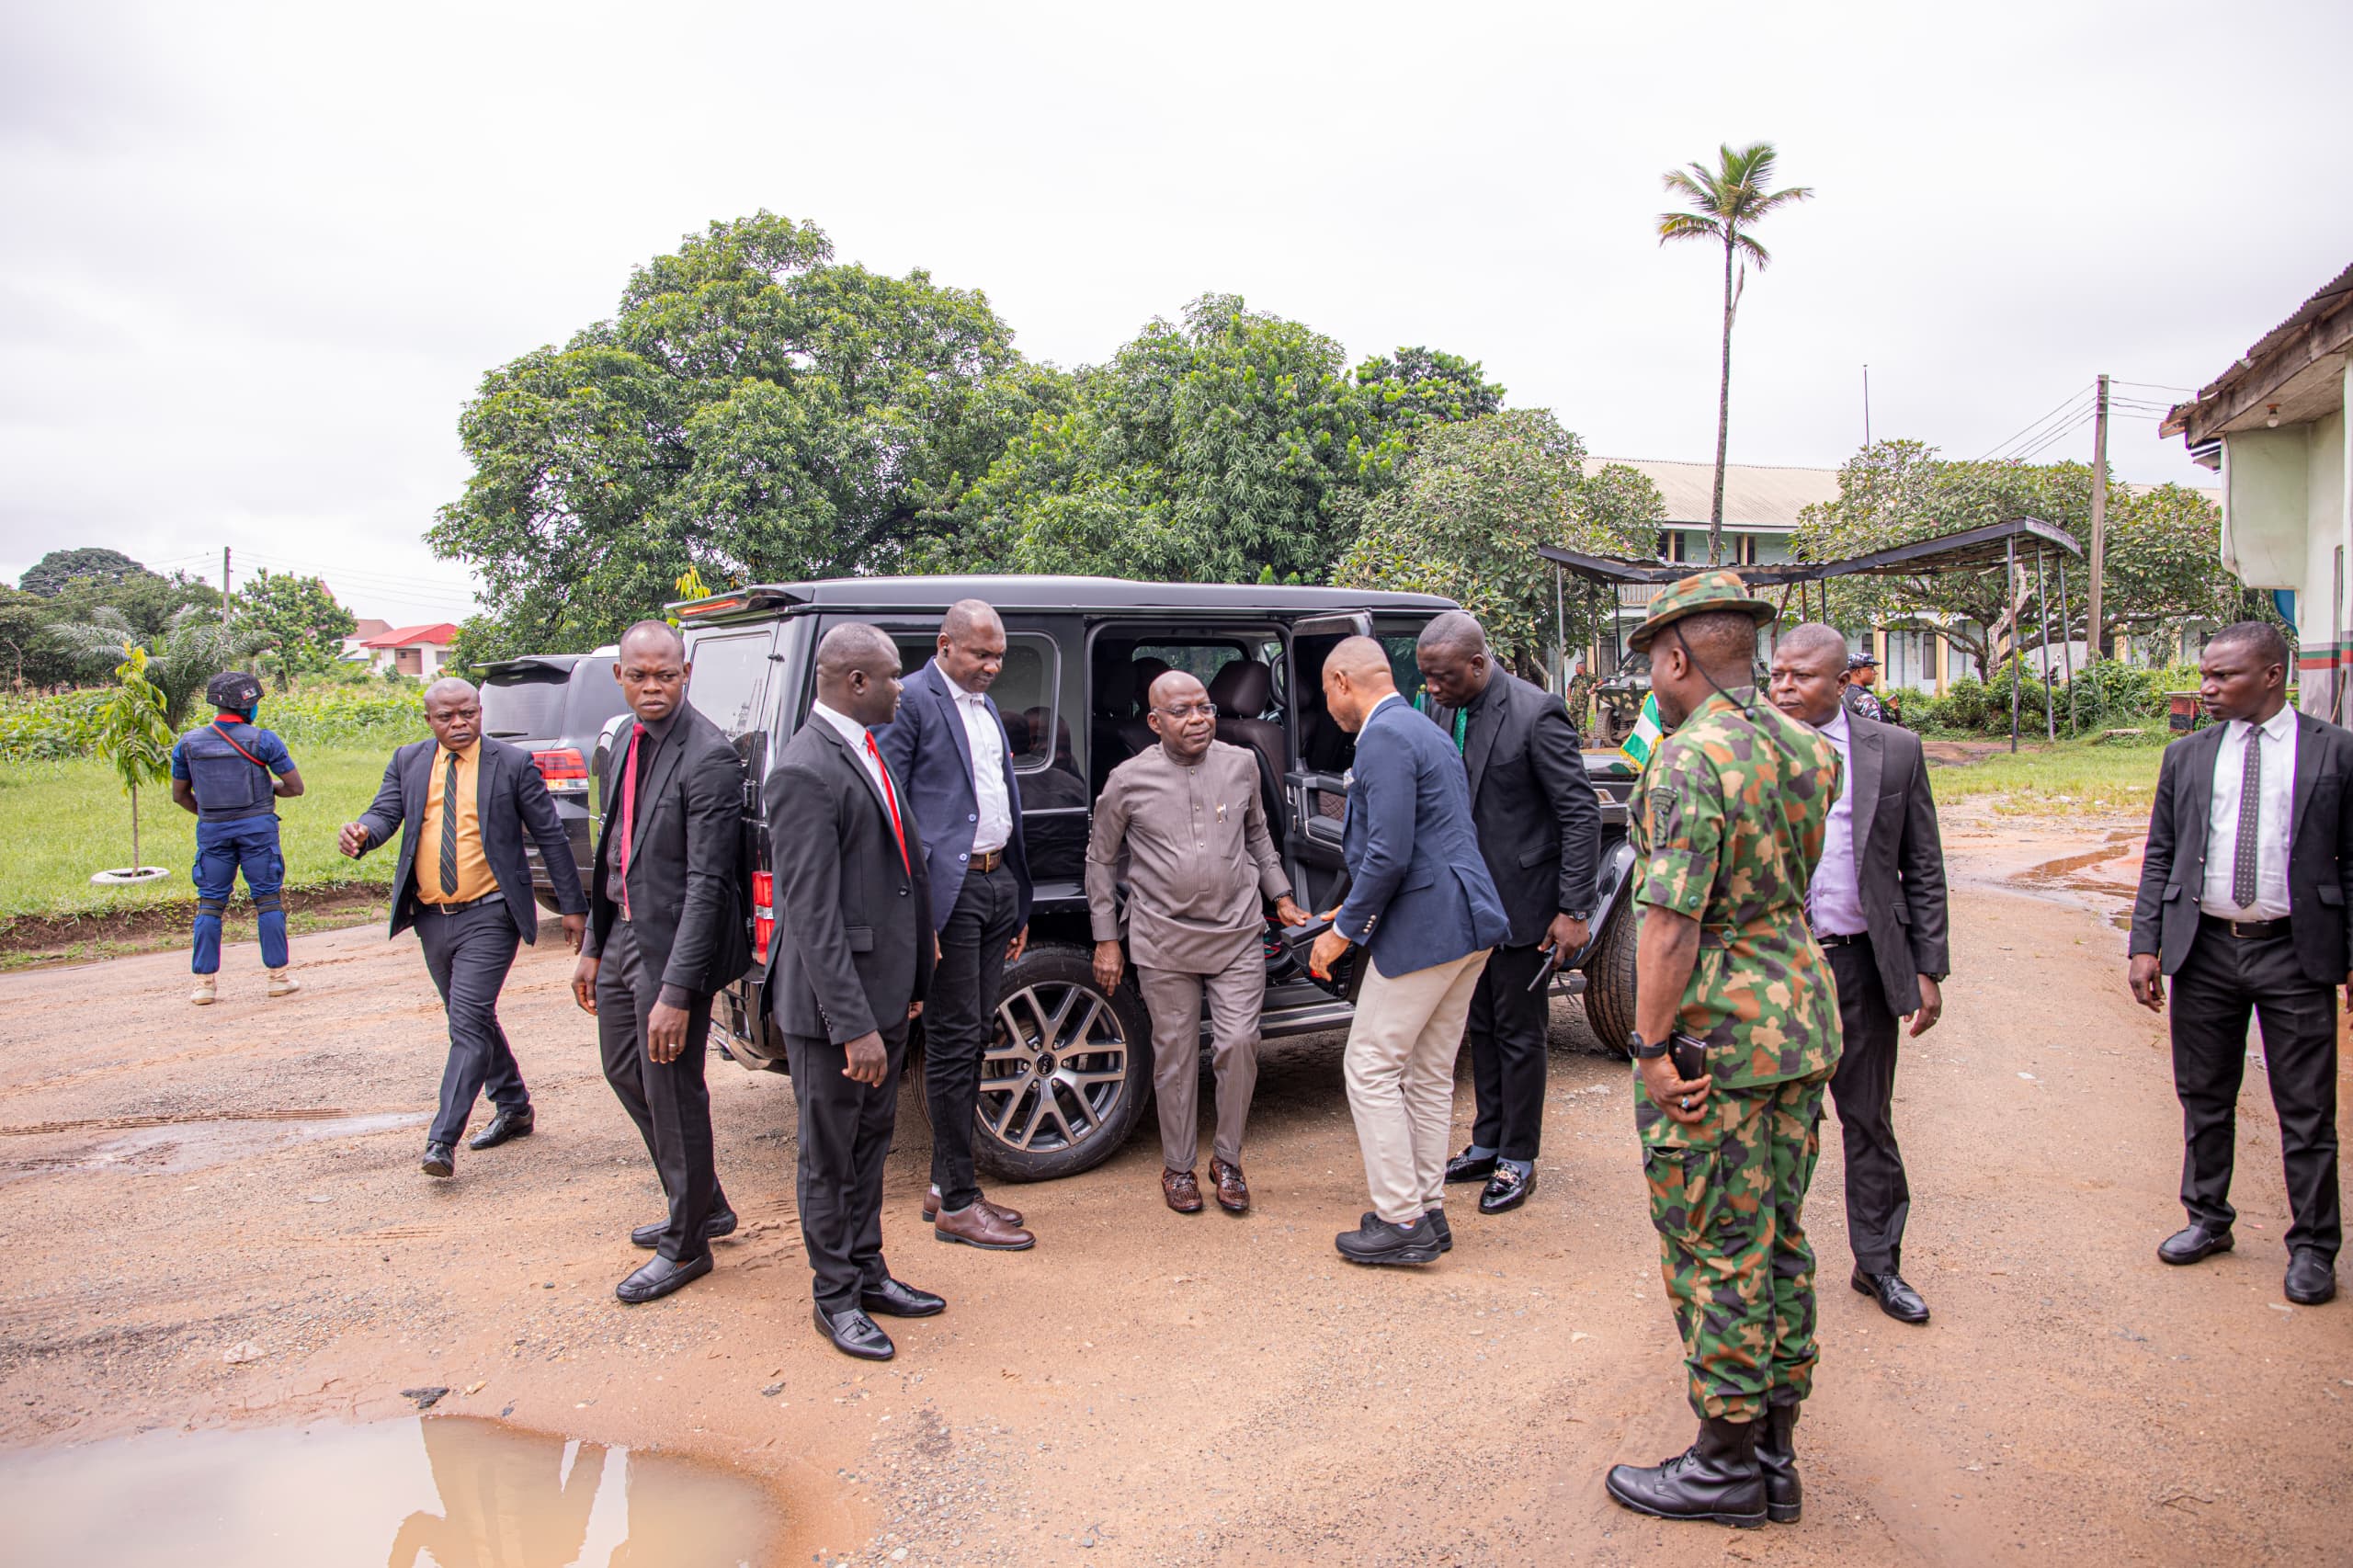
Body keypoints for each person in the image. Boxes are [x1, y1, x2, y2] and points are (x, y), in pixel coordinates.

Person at [1601, 571, 1843, 1529]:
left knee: (1713, 1243)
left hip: (1720, 1039)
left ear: (1677, 657)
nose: (1648, 683)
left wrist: (1651, 1046)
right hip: (1798, 1017)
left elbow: (1668, 926)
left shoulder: (1688, 758)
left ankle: (1724, 1462)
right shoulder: (1802, 745)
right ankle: (1776, 1452)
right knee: (1778, 1230)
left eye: (1649, 664)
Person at [2128, 620, 2347, 1309]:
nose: (2208, 687)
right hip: (2206, 949)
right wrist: (2145, 944)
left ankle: (2313, 1246)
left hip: (2295, 952)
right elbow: (2160, 851)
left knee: (2307, 1109)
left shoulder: (2334, 753)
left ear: (2272, 675)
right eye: (2206, 674)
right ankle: (2207, 1220)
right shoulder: (2188, 755)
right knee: (2204, 1095)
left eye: (2224, 676)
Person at [767, 623, 944, 1360]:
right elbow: (811, 914)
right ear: (856, 682)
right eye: (895, 675)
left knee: (871, 1147)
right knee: (830, 1156)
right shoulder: (805, 769)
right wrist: (853, 1025)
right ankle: (834, 1296)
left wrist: (908, 983)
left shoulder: (866, 749)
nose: (905, 686)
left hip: (885, 994)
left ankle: (869, 1271)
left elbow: (894, 873)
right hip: (837, 1014)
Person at [1308, 637, 1510, 1267]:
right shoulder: (1424, 729)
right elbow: (1426, 837)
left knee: (1369, 1066)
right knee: (1426, 1073)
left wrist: (1344, 932)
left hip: (1426, 928)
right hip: (1465, 920)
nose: (1328, 705)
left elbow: (1389, 852)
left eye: (1324, 691)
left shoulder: (1383, 738)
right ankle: (1426, 1210)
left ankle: (1400, 1220)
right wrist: (1354, 907)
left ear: (1342, 681)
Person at [1768, 624, 1949, 1324]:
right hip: (1777, 969)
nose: (1784, 688)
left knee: (1866, 1120)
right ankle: (1774, 1266)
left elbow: (1923, 865)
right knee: (1781, 1122)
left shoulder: (1894, 753)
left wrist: (1927, 968)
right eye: (1777, 674)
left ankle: (1879, 1265)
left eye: (1801, 677)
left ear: (1843, 682)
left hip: (1859, 965)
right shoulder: (1745, 751)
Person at [340, 677, 587, 1179]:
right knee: (471, 1020)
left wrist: (573, 908)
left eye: (468, 714)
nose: (459, 724)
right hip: (432, 917)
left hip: (492, 914)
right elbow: (386, 812)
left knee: (468, 1021)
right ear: (429, 720)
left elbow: (550, 836)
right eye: (446, 717)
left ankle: (441, 1139)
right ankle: (514, 1106)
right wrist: (364, 833)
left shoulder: (512, 764)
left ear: (480, 711)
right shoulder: (409, 761)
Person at [570, 622, 750, 1305]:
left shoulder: (709, 757)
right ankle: (703, 1202)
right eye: (640, 675)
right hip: (622, 937)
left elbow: (709, 882)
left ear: (685, 674)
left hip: (675, 951)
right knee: (625, 1071)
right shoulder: (624, 743)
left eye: (665, 675)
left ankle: (687, 1245)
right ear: (620, 675)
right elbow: (614, 843)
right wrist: (593, 945)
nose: (653, 687)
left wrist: (677, 991)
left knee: (674, 1089)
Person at [1088, 669, 1311, 1213]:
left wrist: (1279, 895)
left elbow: (1258, 834)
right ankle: (1179, 1167)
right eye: (1183, 711)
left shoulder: (1240, 765)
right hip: (1163, 939)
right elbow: (1099, 860)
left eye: (1205, 708)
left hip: (1238, 932)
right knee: (1176, 1056)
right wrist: (1105, 939)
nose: (1198, 720)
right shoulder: (1127, 780)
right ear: (1155, 721)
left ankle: (1228, 1159)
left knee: (1239, 1044)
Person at [1416, 611, 1602, 1216]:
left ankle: (1518, 1157)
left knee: (1521, 1034)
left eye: (1443, 678)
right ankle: (1487, 1140)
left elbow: (1579, 815)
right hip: (1465, 905)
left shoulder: (1536, 712)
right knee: (1483, 1029)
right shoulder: (1442, 707)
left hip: (1524, 903)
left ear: (1477, 664)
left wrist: (1574, 908)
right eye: (1427, 680)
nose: (1434, 690)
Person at [872, 598, 1036, 1252]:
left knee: (974, 1038)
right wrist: (918, 914)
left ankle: (947, 1184)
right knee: (952, 1043)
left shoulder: (985, 705)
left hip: (997, 883)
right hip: (948, 892)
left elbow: (995, 796)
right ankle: (960, 1205)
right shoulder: (908, 701)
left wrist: (1016, 897)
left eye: (997, 654)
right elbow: (890, 808)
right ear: (945, 645)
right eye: (980, 654)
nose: (992, 665)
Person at [170, 670, 304, 1005]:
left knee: (210, 903)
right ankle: (278, 978)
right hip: (258, 830)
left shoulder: (188, 742)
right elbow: (295, 787)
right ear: (247, 705)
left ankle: (204, 984)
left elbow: (180, 796)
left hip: (213, 830)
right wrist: (265, 790)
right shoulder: (263, 740)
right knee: (268, 900)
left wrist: (212, 814)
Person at [1842, 653, 1887, 722]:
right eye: (1871, 668)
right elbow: (1874, 730)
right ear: (1858, 672)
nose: (1875, 672)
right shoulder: (1867, 700)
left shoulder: (1838, 694)